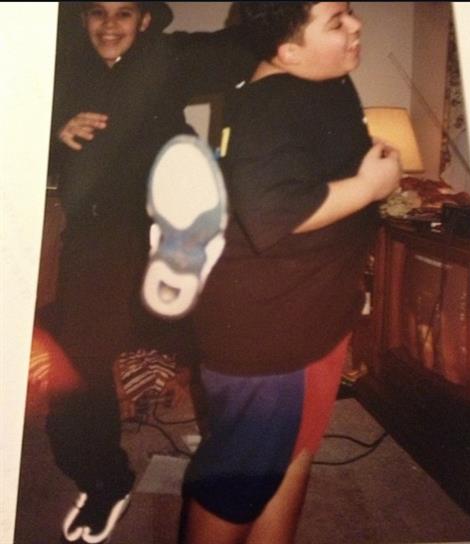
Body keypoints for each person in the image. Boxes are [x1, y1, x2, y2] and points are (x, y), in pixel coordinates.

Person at [142, 2, 401, 543]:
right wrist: (370, 187)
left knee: (292, 454)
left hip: (314, 314)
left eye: (350, 12)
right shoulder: (271, 106)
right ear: (288, 53)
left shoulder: (323, 77)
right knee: (237, 484)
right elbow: (274, 210)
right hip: (271, 335)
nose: (356, 25)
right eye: (336, 22)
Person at [43, 3, 255, 543]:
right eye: (98, 12)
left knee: (213, 345)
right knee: (76, 365)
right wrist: (53, 131)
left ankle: (234, 458)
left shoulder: (167, 56)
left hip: (167, 232)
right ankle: (104, 480)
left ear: (144, 20)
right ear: (81, 19)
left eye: (124, 13)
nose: (110, 25)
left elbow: (243, 50)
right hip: (96, 241)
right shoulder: (59, 69)